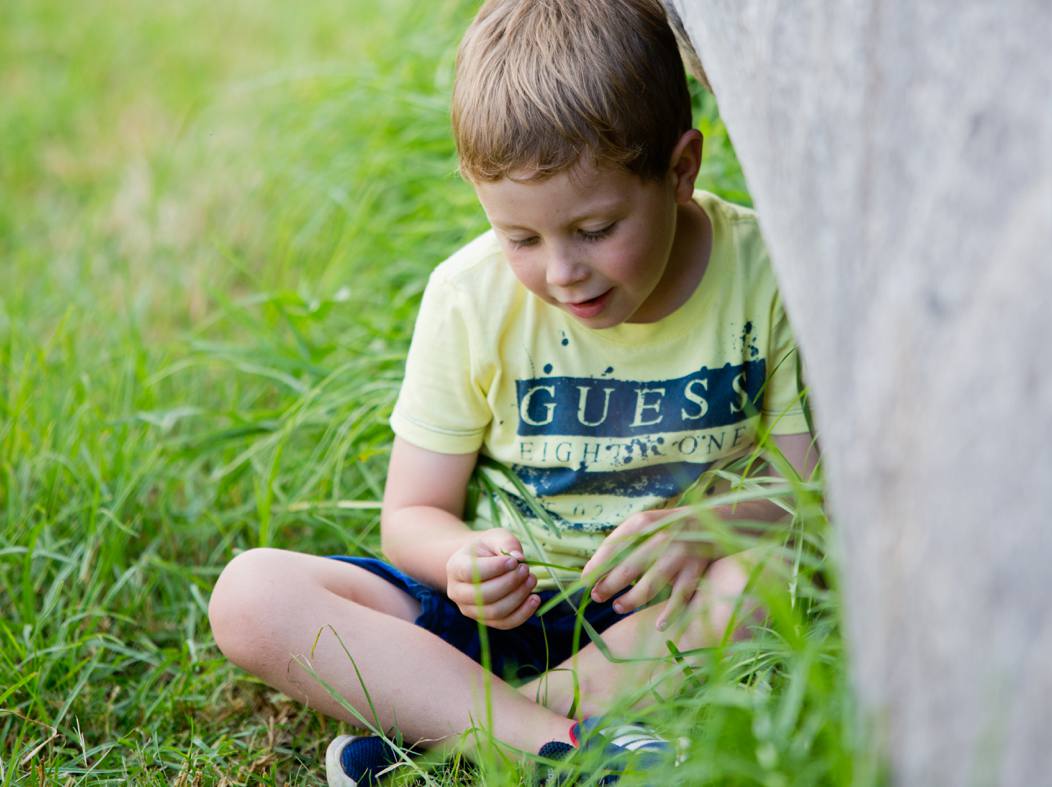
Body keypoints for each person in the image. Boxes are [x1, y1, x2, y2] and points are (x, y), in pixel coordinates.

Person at [207, 0, 817, 784]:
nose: (562, 272)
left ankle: (460, 733)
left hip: (656, 605)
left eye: (595, 229)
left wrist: (707, 524)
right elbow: (411, 514)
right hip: (499, 611)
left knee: (764, 575)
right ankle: (562, 738)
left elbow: (802, 488)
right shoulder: (469, 296)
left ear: (680, 169)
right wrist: (463, 559)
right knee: (251, 592)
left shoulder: (763, 272)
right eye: (520, 238)